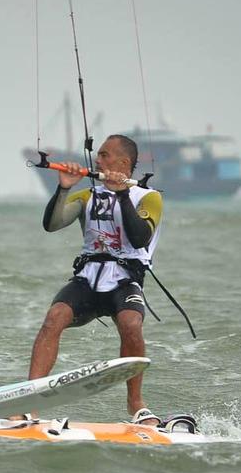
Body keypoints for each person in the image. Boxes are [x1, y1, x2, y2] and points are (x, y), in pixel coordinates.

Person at [25, 134, 164, 425]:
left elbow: (140, 238)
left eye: (104, 155)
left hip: (124, 280)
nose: (97, 161)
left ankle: (136, 405)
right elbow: (52, 224)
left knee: (130, 323)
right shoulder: (88, 196)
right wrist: (63, 189)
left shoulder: (148, 197)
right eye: (98, 155)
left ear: (123, 163)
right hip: (88, 279)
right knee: (54, 318)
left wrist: (122, 193)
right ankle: (30, 401)